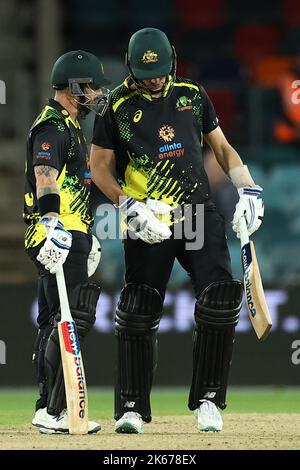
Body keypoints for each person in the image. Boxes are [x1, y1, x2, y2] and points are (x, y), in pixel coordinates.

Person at [90, 28, 264, 433]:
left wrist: (247, 186)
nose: (152, 80)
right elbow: (99, 167)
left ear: (172, 60)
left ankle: (208, 400)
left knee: (220, 298)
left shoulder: (191, 93)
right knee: (138, 308)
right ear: (131, 67)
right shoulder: (115, 105)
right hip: (147, 216)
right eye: (143, 74)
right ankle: (131, 407)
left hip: (195, 213)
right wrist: (126, 206)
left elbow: (221, 147)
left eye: (159, 72)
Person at [23, 50, 109, 434]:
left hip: (71, 232)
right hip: (57, 233)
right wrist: (54, 226)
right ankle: (56, 411)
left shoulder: (71, 126)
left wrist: (86, 237)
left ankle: (49, 408)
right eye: (92, 86)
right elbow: (45, 176)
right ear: (74, 87)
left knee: (55, 321)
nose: (97, 94)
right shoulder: (53, 128)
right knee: (73, 317)